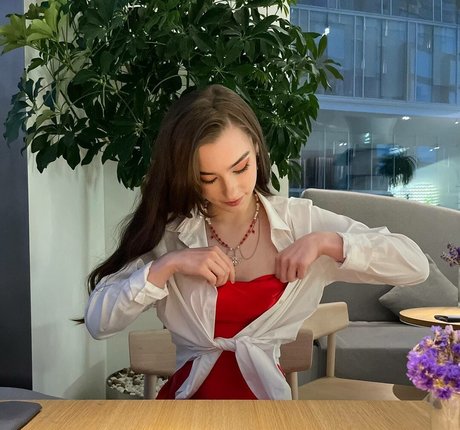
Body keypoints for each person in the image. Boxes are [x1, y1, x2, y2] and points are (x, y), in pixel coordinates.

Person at [85, 84, 429, 400]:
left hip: (267, 408)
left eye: (241, 168)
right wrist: (166, 266)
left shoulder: (299, 222)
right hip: (188, 409)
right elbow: (99, 323)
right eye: (209, 179)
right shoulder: (171, 235)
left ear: (256, 147)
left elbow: (415, 266)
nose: (231, 189)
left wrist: (327, 243)